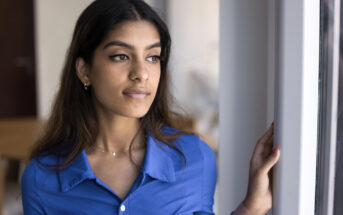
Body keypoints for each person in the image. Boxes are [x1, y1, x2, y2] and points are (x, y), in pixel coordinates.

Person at [21, 0, 280, 214]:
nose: (141, 73)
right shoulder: (41, 177)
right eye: (121, 56)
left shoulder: (195, 158)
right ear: (84, 70)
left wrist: (252, 206)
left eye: (152, 57)